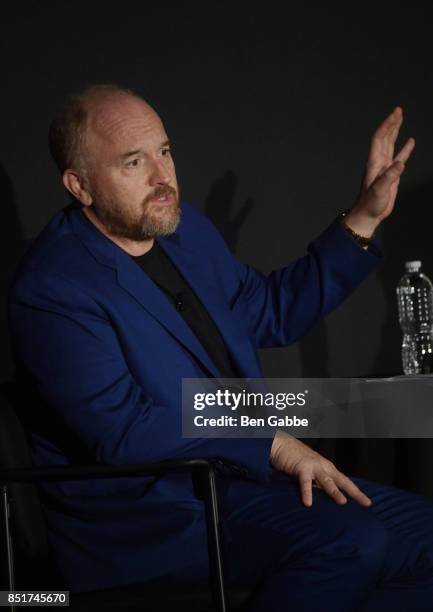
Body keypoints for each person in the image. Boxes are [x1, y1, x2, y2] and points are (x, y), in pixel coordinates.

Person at [7, 84, 433, 611]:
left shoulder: (186, 234)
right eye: (134, 162)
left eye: (165, 151)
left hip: (244, 480)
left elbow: (272, 311)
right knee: (351, 541)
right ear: (80, 185)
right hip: (155, 514)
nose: (164, 178)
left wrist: (364, 218)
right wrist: (271, 444)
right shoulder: (53, 287)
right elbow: (121, 429)